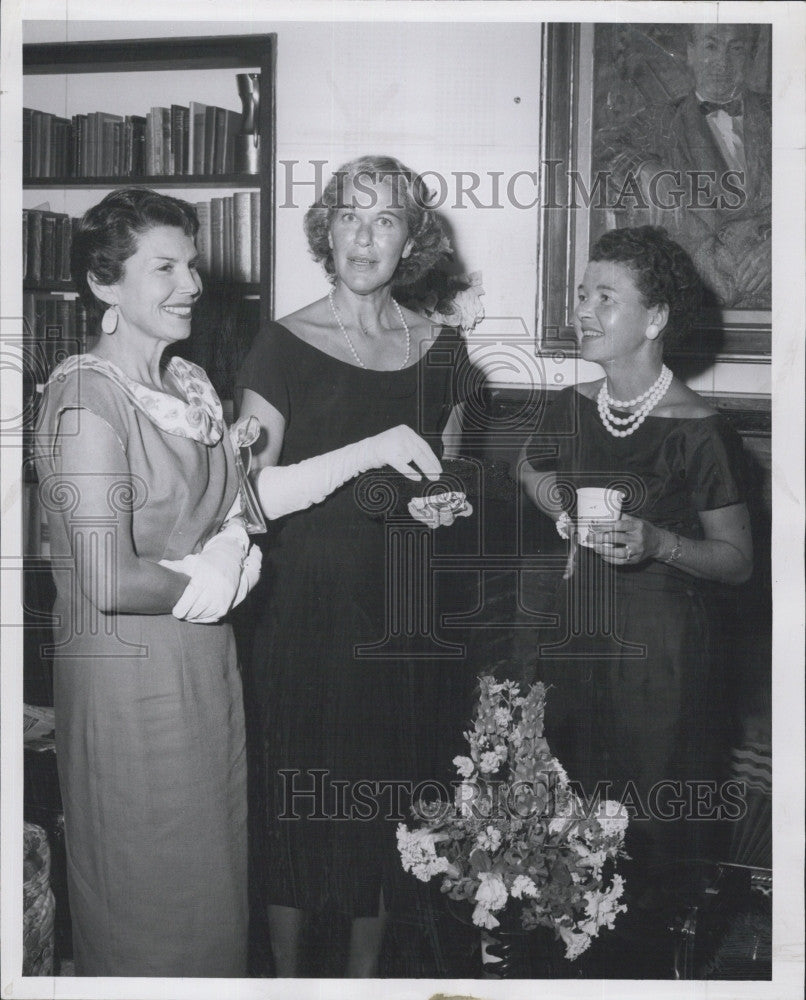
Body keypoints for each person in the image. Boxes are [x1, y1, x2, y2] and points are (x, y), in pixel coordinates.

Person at [33, 187, 440, 977]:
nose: (189, 285)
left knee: (214, 888)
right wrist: (217, 571)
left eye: (191, 265)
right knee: (148, 895)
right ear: (104, 286)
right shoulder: (84, 402)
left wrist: (368, 449)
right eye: (164, 268)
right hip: (128, 683)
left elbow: (242, 500)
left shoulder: (185, 384)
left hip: (205, 672)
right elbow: (108, 579)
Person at [236, 155, 475, 977]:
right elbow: (252, 493)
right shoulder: (283, 342)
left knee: (388, 796)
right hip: (302, 609)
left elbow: (441, 480)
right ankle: (289, 981)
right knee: (297, 797)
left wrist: (447, 506)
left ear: (412, 239)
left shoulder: (443, 349)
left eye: (385, 219)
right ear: (326, 231)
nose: (364, 235)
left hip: (401, 610)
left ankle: (365, 985)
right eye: (348, 215)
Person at [519, 225, 752, 976]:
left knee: (642, 841)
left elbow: (738, 562)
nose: (583, 309)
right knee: (560, 821)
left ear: (654, 320)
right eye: (583, 293)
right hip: (575, 642)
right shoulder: (570, 405)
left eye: (604, 297)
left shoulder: (700, 433)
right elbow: (528, 466)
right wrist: (554, 494)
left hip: (662, 665)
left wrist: (657, 544)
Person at [595, 23, 771, 309]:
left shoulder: (784, 115)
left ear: (751, 56)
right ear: (690, 52)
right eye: (710, 46)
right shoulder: (660, 120)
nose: (722, 62)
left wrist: (784, 245)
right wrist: (643, 166)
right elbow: (600, 149)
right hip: (697, 299)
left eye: (736, 49)